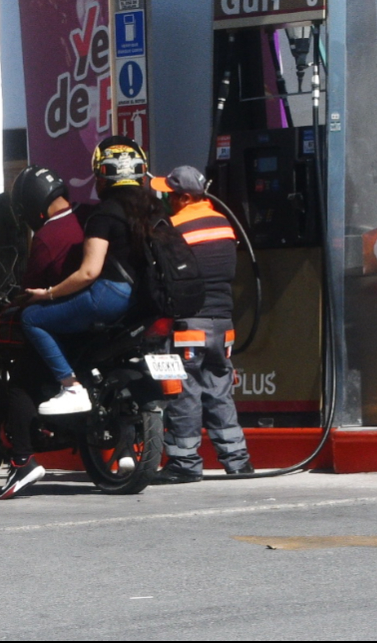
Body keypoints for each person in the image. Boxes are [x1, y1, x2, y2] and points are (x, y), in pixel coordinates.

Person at [19, 136, 164, 415]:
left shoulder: (102, 214)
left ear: (102, 177)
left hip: (110, 296)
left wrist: (48, 293)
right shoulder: (154, 210)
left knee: (31, 318)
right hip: (147, 297)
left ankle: (71, 387)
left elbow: (88, 272)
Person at [151, 166, 254, 484]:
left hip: (188, 326)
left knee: (183, 391)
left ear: (184, 197)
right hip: (223, 325)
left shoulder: (172, 227)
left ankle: (184, 463)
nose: (164, 199)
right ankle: (237, 460)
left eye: (169, 194)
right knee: (219, 390)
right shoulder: (224, 224)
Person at [0, 165, 84, 500]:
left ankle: (22, 460)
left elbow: (29, 288)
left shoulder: (48, 237)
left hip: (66, 321)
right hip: (103, 318)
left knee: (20, 380)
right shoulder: (86, 218)